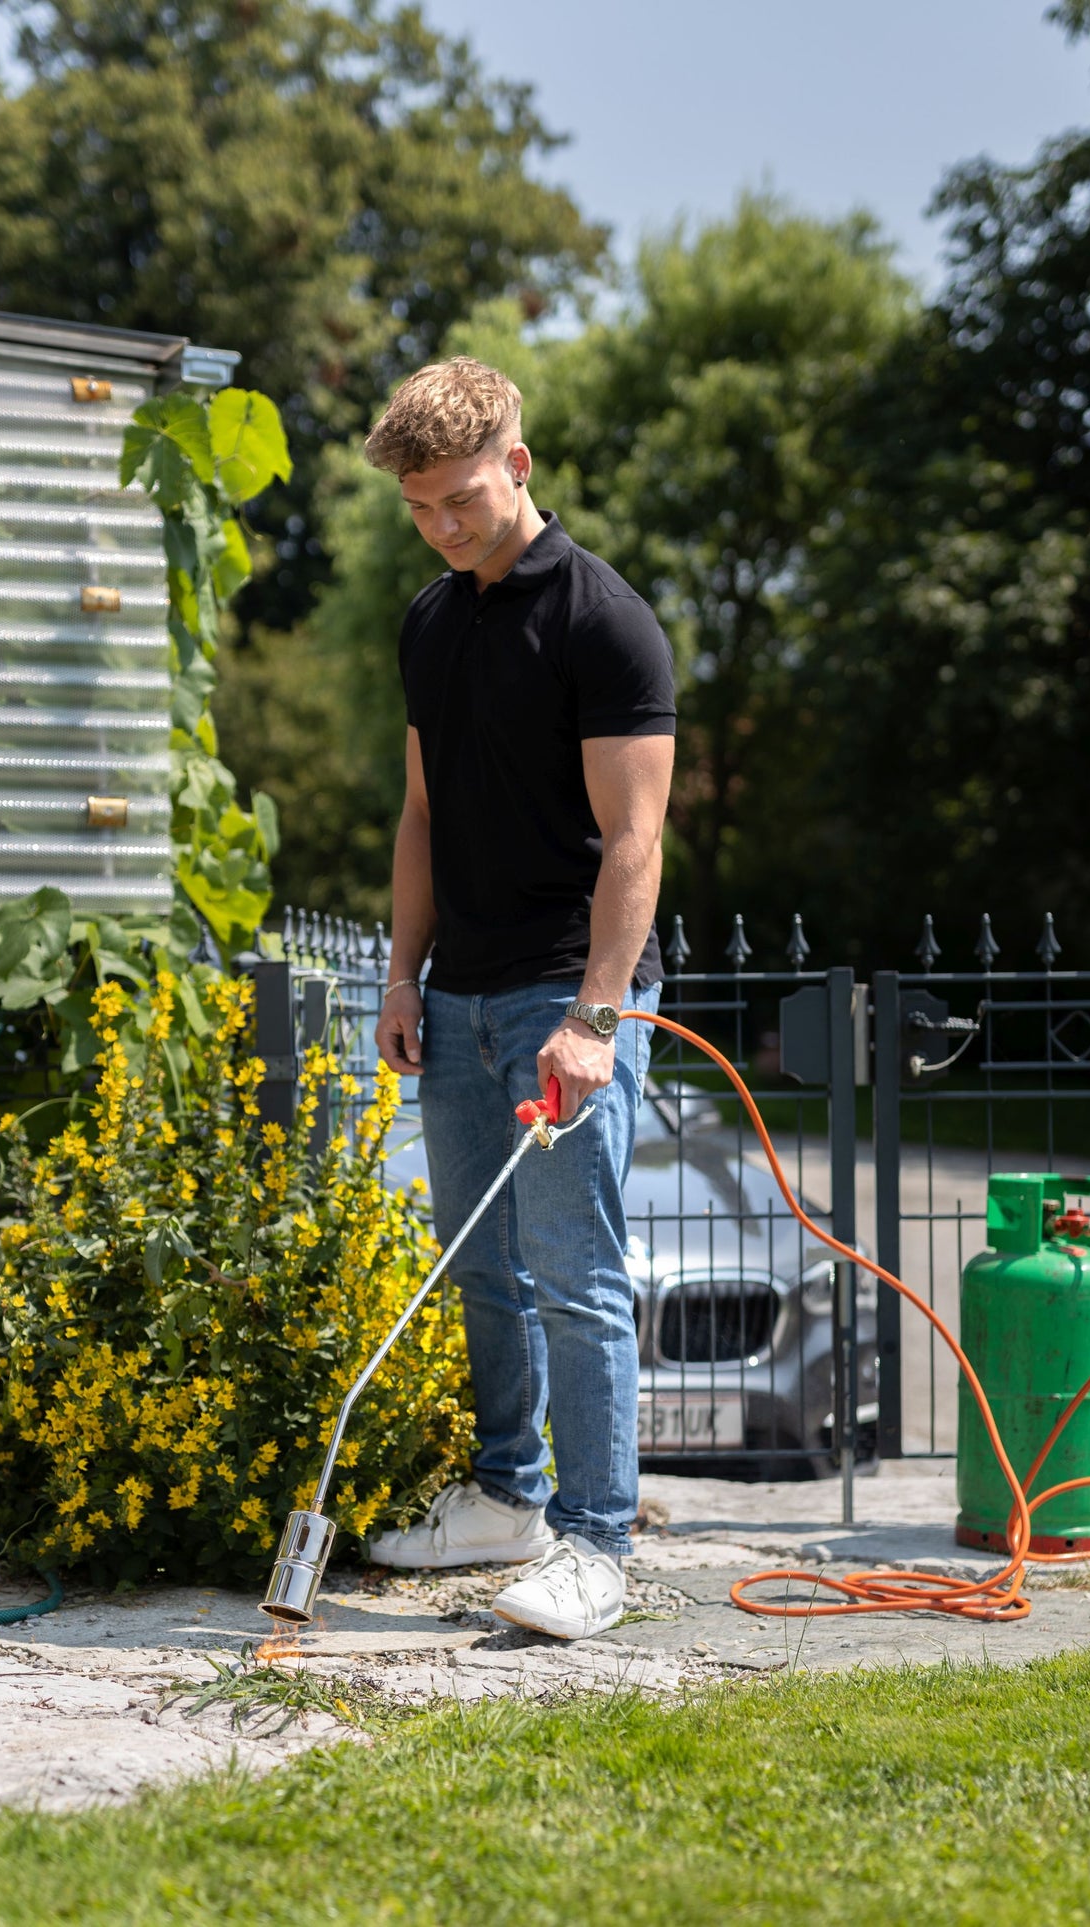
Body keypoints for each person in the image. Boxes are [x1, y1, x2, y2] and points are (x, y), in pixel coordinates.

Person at [366, 356, 676, 1639]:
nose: (445, 524)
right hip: (459, 995)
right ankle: (507, 1499)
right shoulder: (431, 624)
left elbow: (635, 842)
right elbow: (422, 813)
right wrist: (399, 970)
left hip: (566, 994)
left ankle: (597, 1546)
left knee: (573, 1269)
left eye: (462, 498)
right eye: (422, 506)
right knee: (474, 1264)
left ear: (520, 464)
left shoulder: (603, 621)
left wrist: (595, 1018)